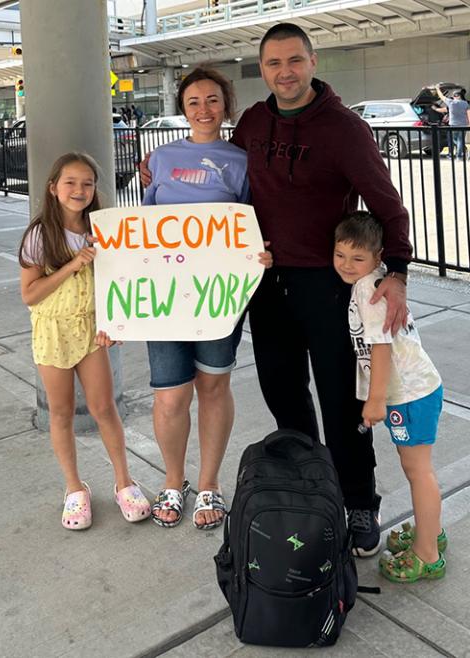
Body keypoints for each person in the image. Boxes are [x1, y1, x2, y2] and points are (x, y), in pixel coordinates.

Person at [140, 24, 412, 556]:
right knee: (284, 395)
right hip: (265, 283)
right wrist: (155, 167)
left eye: (293, 60)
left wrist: (396, 270)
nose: (284, 72)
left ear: (312, 62)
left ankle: (359, 502)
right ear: (262, 69)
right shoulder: (255, 123)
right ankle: (312, 488)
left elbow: (386, 201)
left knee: (342, 400)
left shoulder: (343, 128)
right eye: (272, 63)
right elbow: (219, 178)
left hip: (328, 286)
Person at [139, 67, 271, 531]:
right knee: (170, 396)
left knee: (213, 386)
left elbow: (250, 223)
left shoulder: (240, 160)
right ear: (182, 107)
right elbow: (142, 227)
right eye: (193, 101)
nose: (203, 109)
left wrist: (257, 255)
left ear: (227, 104)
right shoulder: (159, 158)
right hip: (165, 297)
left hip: (219, 298)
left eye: (212, 100)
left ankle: (209, 481)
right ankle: (174, 481)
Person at [19, 152, 151, 531]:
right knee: (61, 412)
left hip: (93, 332)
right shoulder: (40, 235)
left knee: (103, 406)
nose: (79, 190)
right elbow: (30, 294)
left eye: (87, 183)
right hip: (53, 332)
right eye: (71, 182)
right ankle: (74, 488)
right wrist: (73, 265)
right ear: (53, 187)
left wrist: (119, 320)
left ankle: (124, 481)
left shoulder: (105, 230)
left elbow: (122, 280)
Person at [334, 211, 446, 581]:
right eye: (340, 255)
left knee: (418, 471)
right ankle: (430, 533)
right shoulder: (370, 282)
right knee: (416, 467)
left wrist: (375, 399)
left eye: (358, 257)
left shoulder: (369, 289)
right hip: (414, 390)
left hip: (409, 394)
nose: (347, 265)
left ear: (378, 257)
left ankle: (427, 553)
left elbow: (380, 348)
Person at [432, 85, 470, 159]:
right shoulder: (465, 103)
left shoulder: (451, 102)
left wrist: (437, 89)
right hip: (463, 125)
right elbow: (469, 113)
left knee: (454, 139)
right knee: (460, 140)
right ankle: (459, 156)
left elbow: (442, 97)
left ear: (454, 96)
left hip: (453, 125)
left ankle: (461, 153)